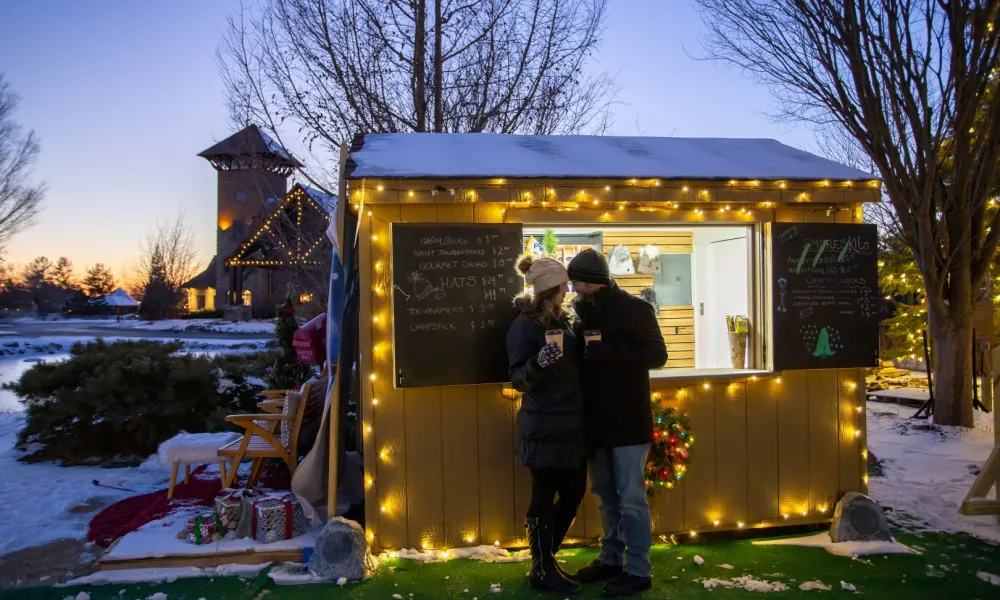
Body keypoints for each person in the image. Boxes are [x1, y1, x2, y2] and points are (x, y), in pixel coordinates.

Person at [568, 248, 668, 597]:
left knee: (631, 498)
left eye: (578, 281)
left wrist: (610, 352)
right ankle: (611, 558)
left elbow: (658, 355)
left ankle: (639, 569)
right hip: (595, 421)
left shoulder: (635, 309)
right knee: (604, 495)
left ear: (594, 281)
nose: (574, 288)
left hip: (628, 420)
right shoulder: (578, 312)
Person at [507, 254, 587, 595]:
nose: (568, 289)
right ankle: (542, 567)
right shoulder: (524, 326)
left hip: (572, 424)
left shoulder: (567, 320)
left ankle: (545, 561)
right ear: (549, 289)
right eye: (563, 285)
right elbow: (517, 379)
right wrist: (538, 363)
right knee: (543, 495)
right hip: (542, 425)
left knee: (574, 491)